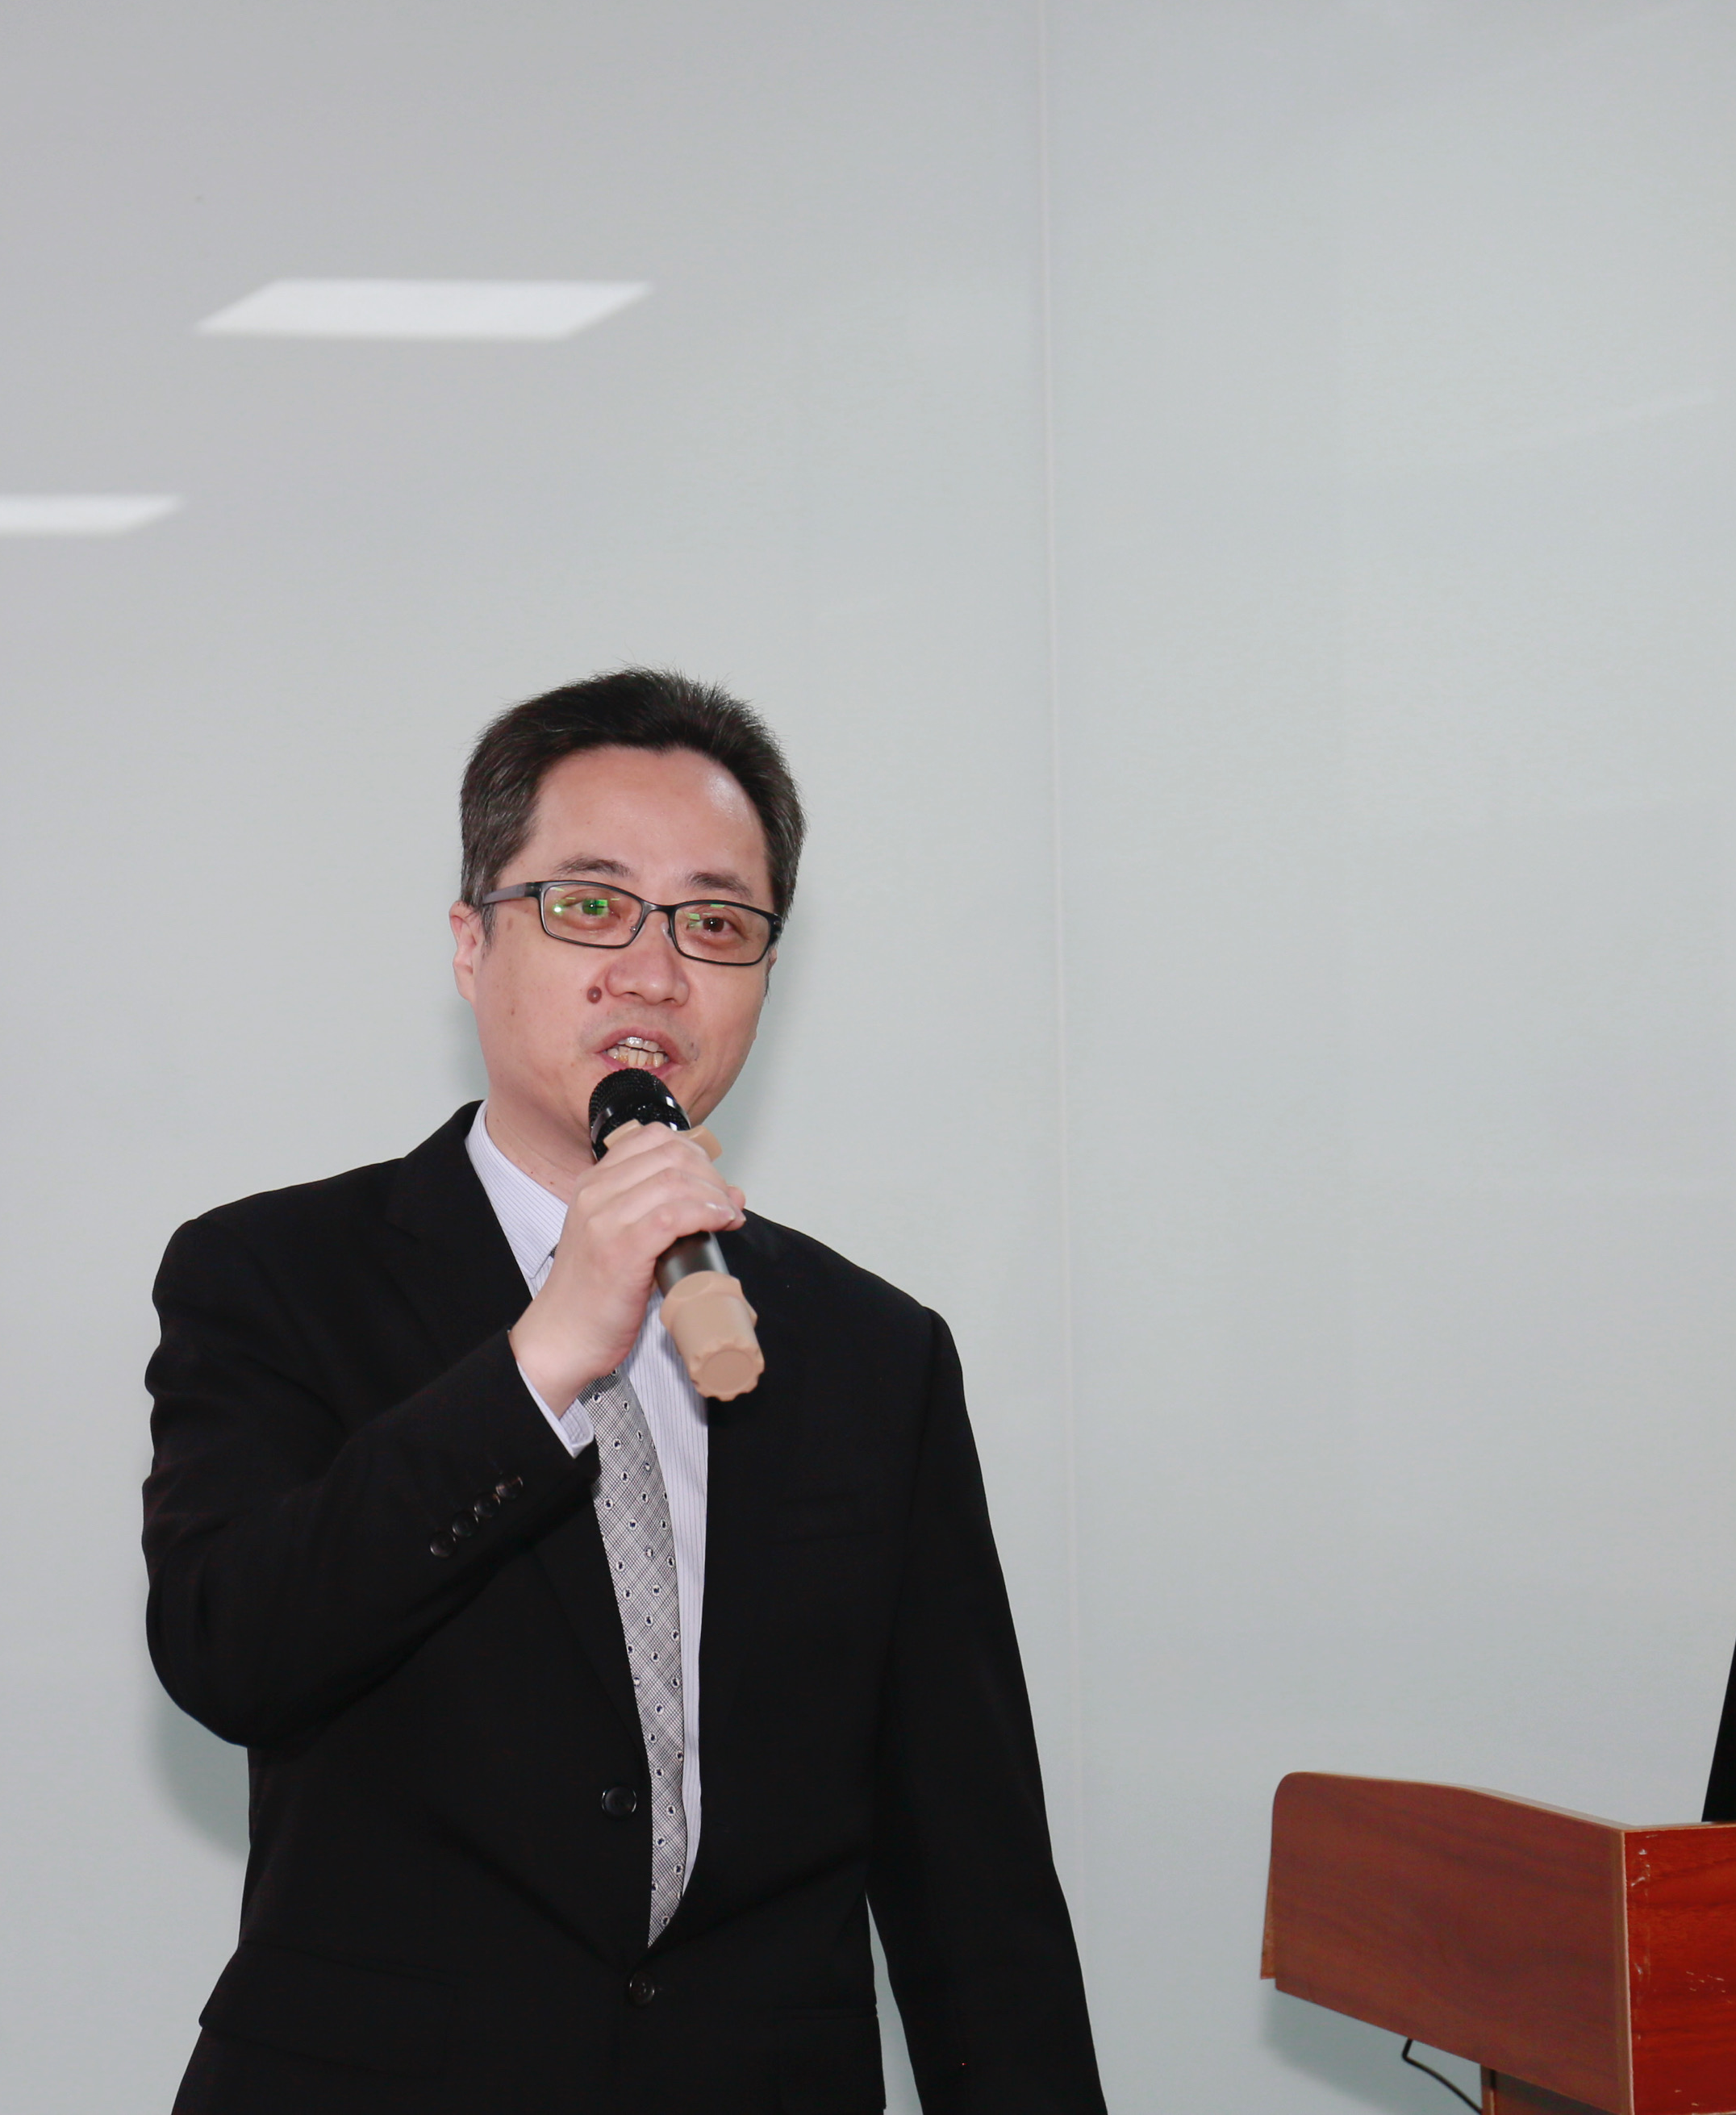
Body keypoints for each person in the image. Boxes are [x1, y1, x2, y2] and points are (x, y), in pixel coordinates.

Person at [142, 670, 1107, 2114]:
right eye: (590, 906)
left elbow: (973, 1871)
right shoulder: (276, 1275)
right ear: (471, 942)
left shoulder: (875, 1351)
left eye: (715, 924)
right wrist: (540, 1358)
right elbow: (232, 1649)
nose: (654, 972)